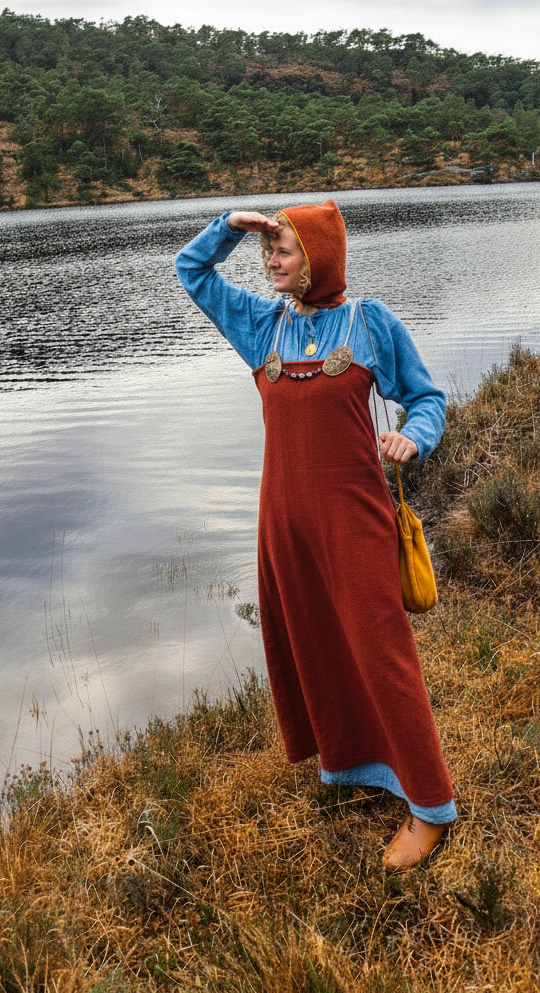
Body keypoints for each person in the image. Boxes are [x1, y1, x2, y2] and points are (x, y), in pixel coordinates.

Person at [175, 198, 455, 869]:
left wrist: (411, 439)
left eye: (285, 249)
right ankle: (349, 763)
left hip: (353, 516)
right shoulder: (261, 324)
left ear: (320, 256)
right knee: (313, 641)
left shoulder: (368, 323)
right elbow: (192, 270)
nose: (271, 261)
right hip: (284, 518)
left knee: (380, 648)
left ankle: (429, 808)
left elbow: (427, 398)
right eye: (267, 250)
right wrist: (231, 226)